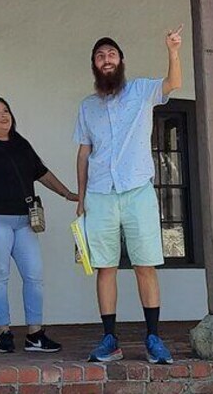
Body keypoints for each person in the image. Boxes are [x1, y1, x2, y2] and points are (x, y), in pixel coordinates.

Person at [74, 27, 183, 364]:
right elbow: (83, 153)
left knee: (144, 265)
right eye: (100, 55)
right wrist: (80, 199)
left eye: (111, 54)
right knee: (105, 267)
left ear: (121, 60)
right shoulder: (88, 106)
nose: (106, 59)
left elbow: (173, 83)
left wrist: (173, 50)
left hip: (138, 191)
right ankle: (110, 339)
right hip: (100, 194)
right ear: (93, 64)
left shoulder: (140, 90)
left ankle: (153, 337)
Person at [0, 97, 78, 354]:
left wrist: (67, 193)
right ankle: (4, 332)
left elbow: (42, 173)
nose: (4, 115)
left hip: (24, 221)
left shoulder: (21, 144)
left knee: (34, 276)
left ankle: (35, 334)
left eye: (6, 110)